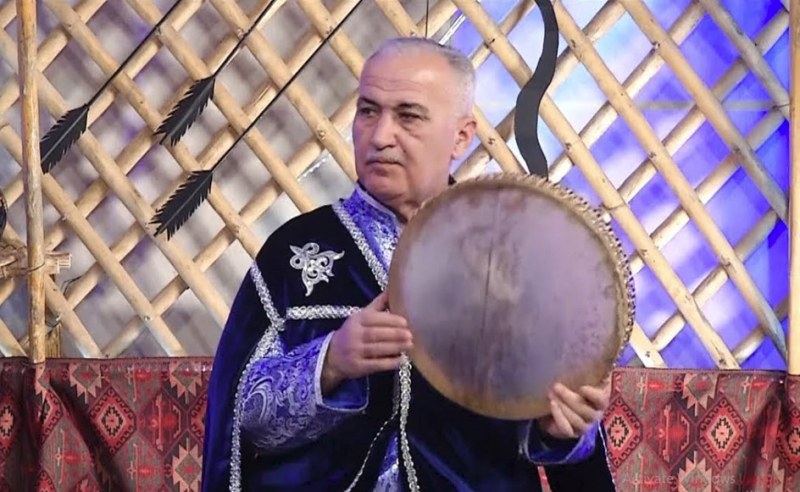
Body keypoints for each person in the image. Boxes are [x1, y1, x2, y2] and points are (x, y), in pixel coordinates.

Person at [201, 37, 618, 491]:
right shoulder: (295, 253)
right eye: (368, 111)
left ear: (461, 136)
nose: (381, 136)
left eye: (409, 116)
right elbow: (237, 426)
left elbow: (554, 421)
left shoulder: (515, 256)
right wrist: (332, 361)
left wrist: (561, 431)